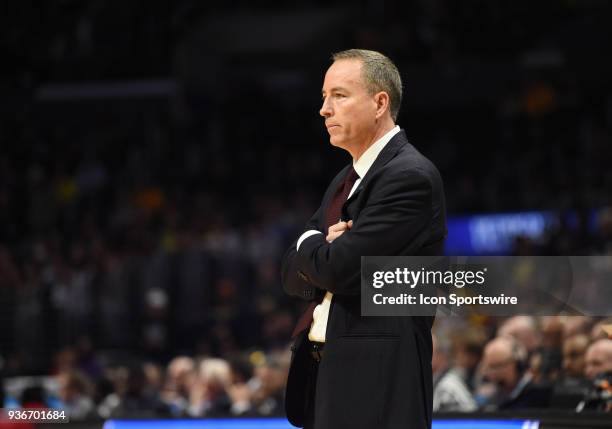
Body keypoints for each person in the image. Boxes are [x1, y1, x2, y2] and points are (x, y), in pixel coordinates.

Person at [281, 49, 447, 429]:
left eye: (338, 95)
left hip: (377, 381)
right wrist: (320, 247)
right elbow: (290, 275)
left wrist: (311, 244)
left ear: (380, 103)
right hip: (328, 372)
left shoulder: (409, 176)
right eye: (324, 97)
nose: (324, 109)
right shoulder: (343, 181)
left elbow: (337, 270)